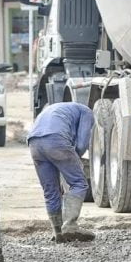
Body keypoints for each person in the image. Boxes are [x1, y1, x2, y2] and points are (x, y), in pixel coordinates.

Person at [27, 102, 95, 243]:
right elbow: (82, 144)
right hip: (56, 140)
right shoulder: (87, 112)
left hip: (34, 143)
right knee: (78, 183)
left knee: (50, 190)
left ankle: (57, 232)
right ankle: (70, 226)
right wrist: (73, 161)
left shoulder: (55, 108)